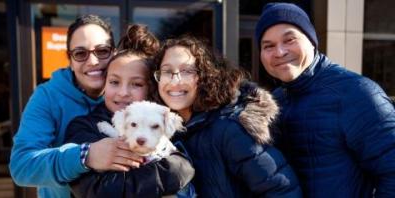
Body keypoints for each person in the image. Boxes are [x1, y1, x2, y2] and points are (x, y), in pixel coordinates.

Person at [254, 2, 395, 197]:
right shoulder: (275, 101)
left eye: (289, 40)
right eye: (268, 46)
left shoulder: (356, 94)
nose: (279, 52)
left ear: (312, 41)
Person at [152, 35, 302, 197]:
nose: (175, 81)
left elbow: (282, 190)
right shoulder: (165, 132)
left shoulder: (230, 128)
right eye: (167, 71)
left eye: (187, 71)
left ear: (206, 75)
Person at [9, 15, 140, 198]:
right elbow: (22, 167)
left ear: (114, 53)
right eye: (80, 54)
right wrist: (85, 155)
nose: (93, 61)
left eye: (102, 51)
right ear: (69, 60)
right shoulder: (47, 97)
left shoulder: (130, 94)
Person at [64, 24, 195, 198]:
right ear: (104, 84)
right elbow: (96, 191)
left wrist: (179, 168)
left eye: (137, 84)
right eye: (114, 82)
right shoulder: (84, 127)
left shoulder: (162, 118)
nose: (123, 92)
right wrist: (171, 172)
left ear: (150, 88)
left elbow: (183, 165)